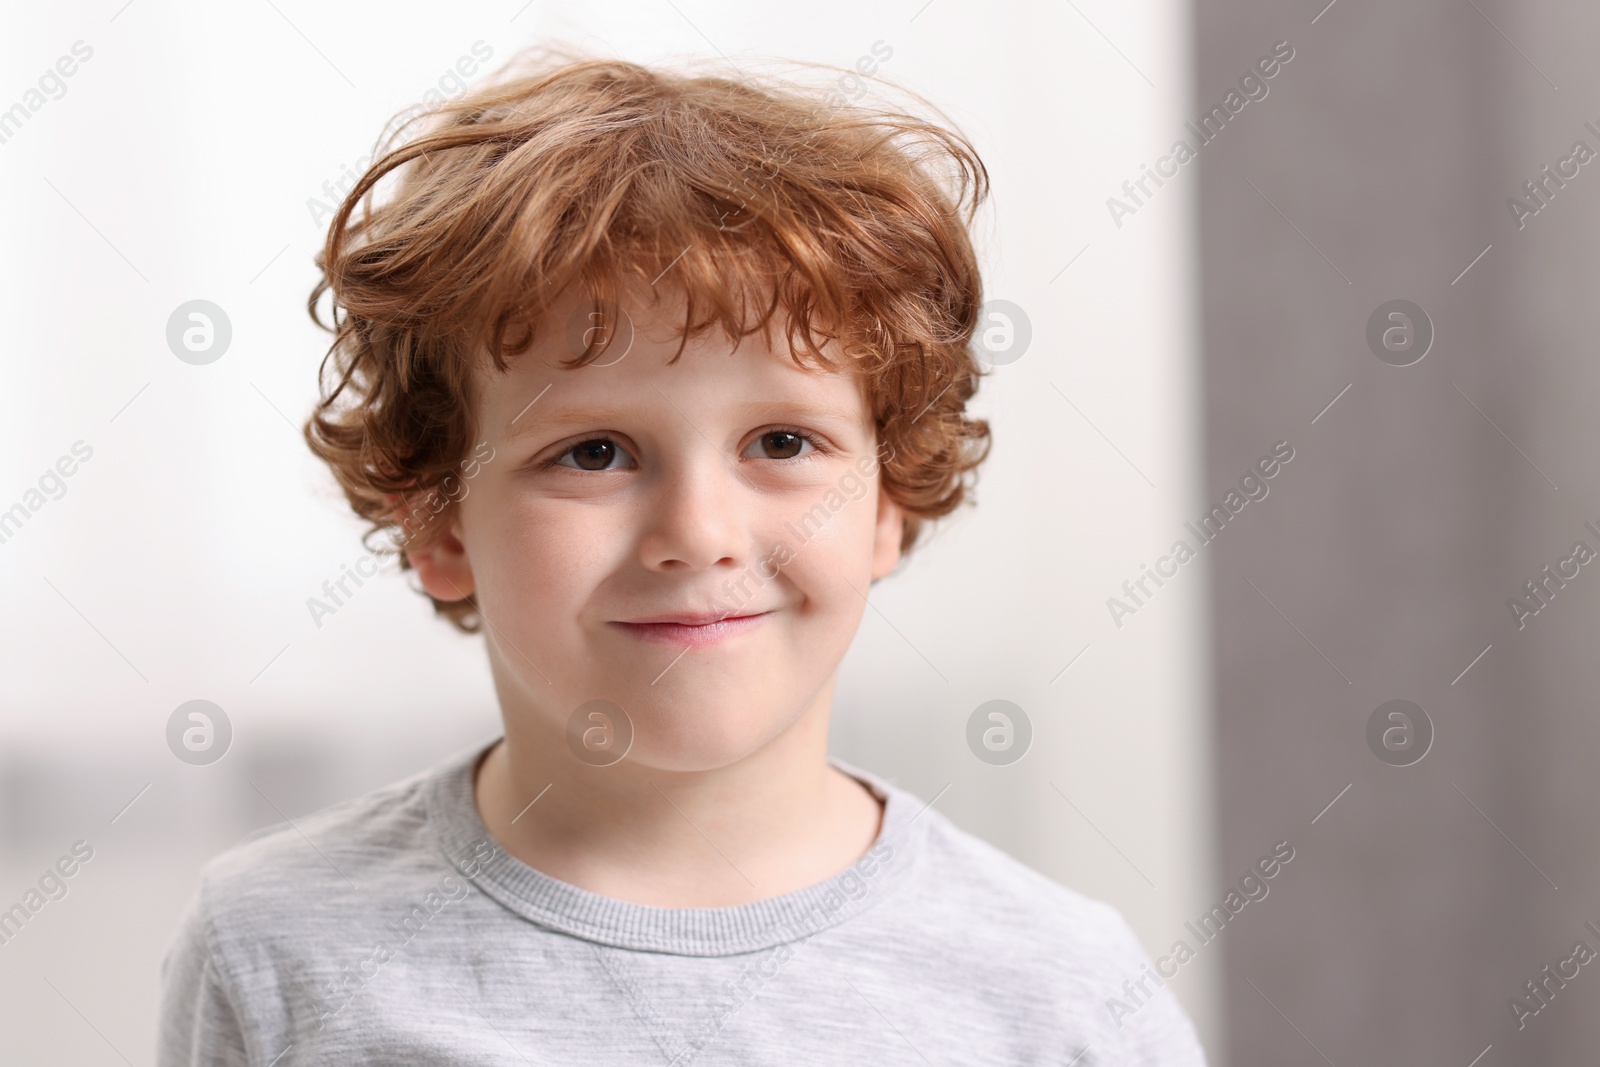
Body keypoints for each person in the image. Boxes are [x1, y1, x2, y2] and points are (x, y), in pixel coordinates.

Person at [156, 43, 1207, 1065]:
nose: (698, 533)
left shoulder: (1065, 992)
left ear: (888, 499)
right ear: (439, 523)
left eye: (783, 442)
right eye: (596, 451)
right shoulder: (275, 949)